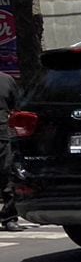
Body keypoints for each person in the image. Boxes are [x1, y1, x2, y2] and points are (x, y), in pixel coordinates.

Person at [0, 69, 31, 232]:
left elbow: (17, 107)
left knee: (7, 176)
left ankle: (9, 217)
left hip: (3, 136)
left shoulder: (6, 80)